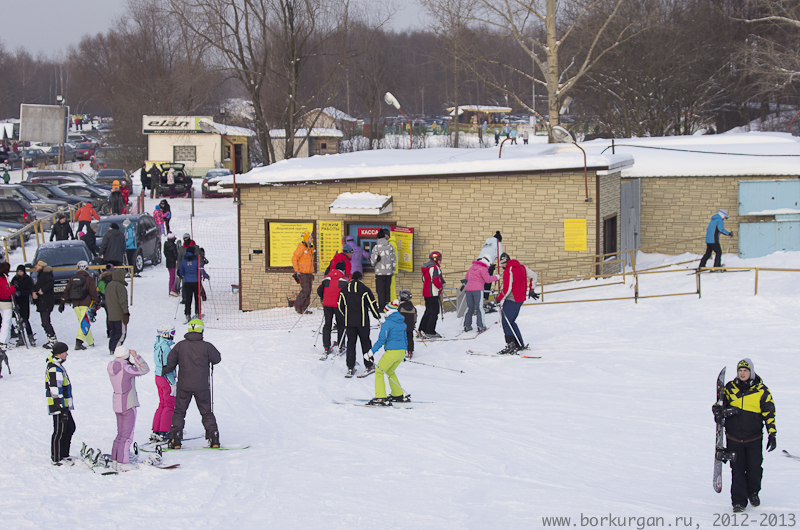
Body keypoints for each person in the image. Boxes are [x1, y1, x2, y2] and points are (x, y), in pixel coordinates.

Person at [714, 359, 777, 513]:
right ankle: (739, 501)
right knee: (737, 469)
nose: (742, 373)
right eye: (740, 371)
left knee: (754, 469)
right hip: (734, 438)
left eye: (745, 371)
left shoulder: (762, 390)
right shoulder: (730, 388)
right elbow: (720, 406)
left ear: (751, 372)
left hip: (754, 438)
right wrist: (718, 412)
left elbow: (769, 413)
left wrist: (772, 434)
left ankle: (753, 492)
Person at [163, 319, 221, 449]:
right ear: (201, 330)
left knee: (179, 411)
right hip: (202, 386)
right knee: (206, 411)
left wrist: (165, 370)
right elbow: (217, 359)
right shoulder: (206, 346)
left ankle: (175, 439)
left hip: (184, 385)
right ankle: (214, 438)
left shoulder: (180, 345)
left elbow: (171, 361)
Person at [107, 346, 149, 471]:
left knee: (120, 434)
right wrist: (136, 356)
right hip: (128, 403)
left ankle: (115, 459)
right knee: (127, 434)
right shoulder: (126, 368)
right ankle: (122, 462)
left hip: (117, 402)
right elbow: (144, 369)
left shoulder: (111, 366)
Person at [367, 300, 410, 406]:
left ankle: (380, 397)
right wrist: (404, 353)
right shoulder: (402, 324)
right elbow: (405, 338)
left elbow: (381, 340)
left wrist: (370, 352)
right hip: (400, 352)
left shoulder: (387, 324)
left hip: (392, 352)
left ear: (388, 312)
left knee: (379, 371)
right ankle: (397, 394)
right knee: (390, 371)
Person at [337, 271, 380, 378]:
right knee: (365, 342)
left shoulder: (344, 289)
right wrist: (377, 316)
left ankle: (350, 367)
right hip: (363, 321)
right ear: (360, 279)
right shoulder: (364, 289)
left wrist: (345, 316)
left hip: (349, 321)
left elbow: (339, 305)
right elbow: (372, 303)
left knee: (351, 343)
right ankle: (369, 365)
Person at [496, 252, 537, 354]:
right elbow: (534, 275)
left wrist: (498, 299)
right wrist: (531, 289)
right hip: (520, 299)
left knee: (506, 322)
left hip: (512, 299)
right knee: (512, 322)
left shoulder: (508, 271)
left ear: (506, 262)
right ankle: (519, 343)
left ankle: (511, 345)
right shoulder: (522, 266)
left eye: (503, 264)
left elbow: (507, 288)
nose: (502, 266)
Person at [59, 261, 100, 351]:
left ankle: (90, 341)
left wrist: (62, 302)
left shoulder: (72, 279)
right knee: (84, 323)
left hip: (75, 304)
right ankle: (79, 342)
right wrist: (97, 301)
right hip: (86, 304)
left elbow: (66, 291)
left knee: (83, 322)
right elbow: (92, 292)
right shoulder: (89, 279)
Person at [46, 342, 75, 465]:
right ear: (60, 353)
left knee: (70, 428)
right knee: (60, 431)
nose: (67, 354)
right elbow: (55, 390)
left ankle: (64, 454)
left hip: (64, 405)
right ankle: (56, 458)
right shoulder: (54, 368)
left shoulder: (57, 365)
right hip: (59, 406)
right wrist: (61, 407)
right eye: (65, 352)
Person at [316, 261, 348, 358]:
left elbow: (319, 290)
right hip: (339, 305)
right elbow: (347, 293)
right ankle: (341, 345)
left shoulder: (326, 278)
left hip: (327, 304)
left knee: (327, 324)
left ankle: (326, 346)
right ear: (343, 270)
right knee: (341, 324)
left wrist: (323, 298)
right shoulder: (344, 279)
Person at [151, 325, 176, 444]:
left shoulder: (158, 344)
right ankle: (164, 431)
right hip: (165, 378)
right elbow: (168, 366)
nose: (173, 335)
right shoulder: (165, 348)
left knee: (162, 403)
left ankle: (156, 430)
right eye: (172, 332)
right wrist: (172, 383)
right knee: (169, 404)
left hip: (158, 376)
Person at [464, 257, 499, 333]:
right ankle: (481, 326)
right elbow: (488, 279)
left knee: (470, 308)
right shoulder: (483, 268)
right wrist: (496, 277)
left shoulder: (471, 267)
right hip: (477, 290)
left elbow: (466, 277)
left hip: (468, 289)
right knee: (479, 308)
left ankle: (467, 325)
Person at [178, 245, 209, 323]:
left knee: (188, 299)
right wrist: (206, 276)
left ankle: (187, 314)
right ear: (193, 252)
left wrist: (182, 274)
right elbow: (201, 269)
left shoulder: (184, 260)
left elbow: (181, 272)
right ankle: (198, 313)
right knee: (197, 298)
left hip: (187, 282)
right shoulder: (197, 259)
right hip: (196, 282)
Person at [32, 259, 58, 349]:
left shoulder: (45, 274)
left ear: (41, 266)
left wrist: (42, 290)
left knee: (45, 322)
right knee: (45, 322)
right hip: (43, 302)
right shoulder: (42, 274)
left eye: (37, 265)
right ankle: (51, 339)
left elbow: (50, 283)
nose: (35, 266)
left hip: (45, 302)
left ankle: (53, 340)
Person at [104, 268, 129, 355]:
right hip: (120, 315)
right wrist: (126, 313)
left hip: (111, 314)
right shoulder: (120, 287)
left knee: (114, 332)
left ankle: (111, 347)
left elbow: (106, 301)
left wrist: (109, 314)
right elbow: (123, 301)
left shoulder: (109, 285)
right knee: (121, 333)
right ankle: (116, 350)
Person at [370, 228, 397, 312]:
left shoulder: (376, 247)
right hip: (388, 273)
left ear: (378, 238)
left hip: (380, 273)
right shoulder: (390, 247)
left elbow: (372, 262)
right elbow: (394, 260)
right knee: (387, 290)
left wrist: (376, 260)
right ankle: (387, 307)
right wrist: (393, 271)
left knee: (380, 290)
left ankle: (381, 308)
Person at [419, 251, 444, 338]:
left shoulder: (426, 267)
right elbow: (436, 280)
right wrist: (440, 287)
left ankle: (422, 329)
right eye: (440, 259)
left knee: (428, 311)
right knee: (434, 312)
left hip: (426, 293)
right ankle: (430, 331)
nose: (440, 261)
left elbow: (423, 279)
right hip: (433, 293)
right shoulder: (435, 268)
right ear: (435, 259)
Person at [291, 230, 315, 314]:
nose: (312, 239)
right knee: (306, 289)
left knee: (309, 290)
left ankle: (305, 308)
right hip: (302, 272)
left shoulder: (311, 247)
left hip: (309, 273)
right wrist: (297, 270)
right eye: (311, 238)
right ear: (306, 238)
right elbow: (294, 259)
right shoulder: (301, 247)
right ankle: (298, 306)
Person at [11, 264, 35, 346]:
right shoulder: (15, 279)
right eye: (18, 271)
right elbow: (11, 286)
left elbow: (29, 290)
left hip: (24, 302)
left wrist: (21, 293)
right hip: (16, 302)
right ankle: (21, 337)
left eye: (20, 271)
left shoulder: (27, 279)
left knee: (25, 320)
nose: (19, 273)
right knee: (18, 320)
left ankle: (30, 337)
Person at [0, 262, 16, 353]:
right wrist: (13, 288)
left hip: (2, 302)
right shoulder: (3, 279)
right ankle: (2, 342)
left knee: (6, 322)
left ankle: (5, 340)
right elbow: (6, 293)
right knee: (6, 323)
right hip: (5, 303)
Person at [397, 290, 417, 360]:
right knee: (410, 338)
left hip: (402, 326)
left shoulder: (400, 307)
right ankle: (410, 351)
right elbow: (415, 317)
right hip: (410, 326)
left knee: (401, 338)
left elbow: (398, 317)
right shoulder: (413, 308)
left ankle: (401, 351)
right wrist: (414, 324)